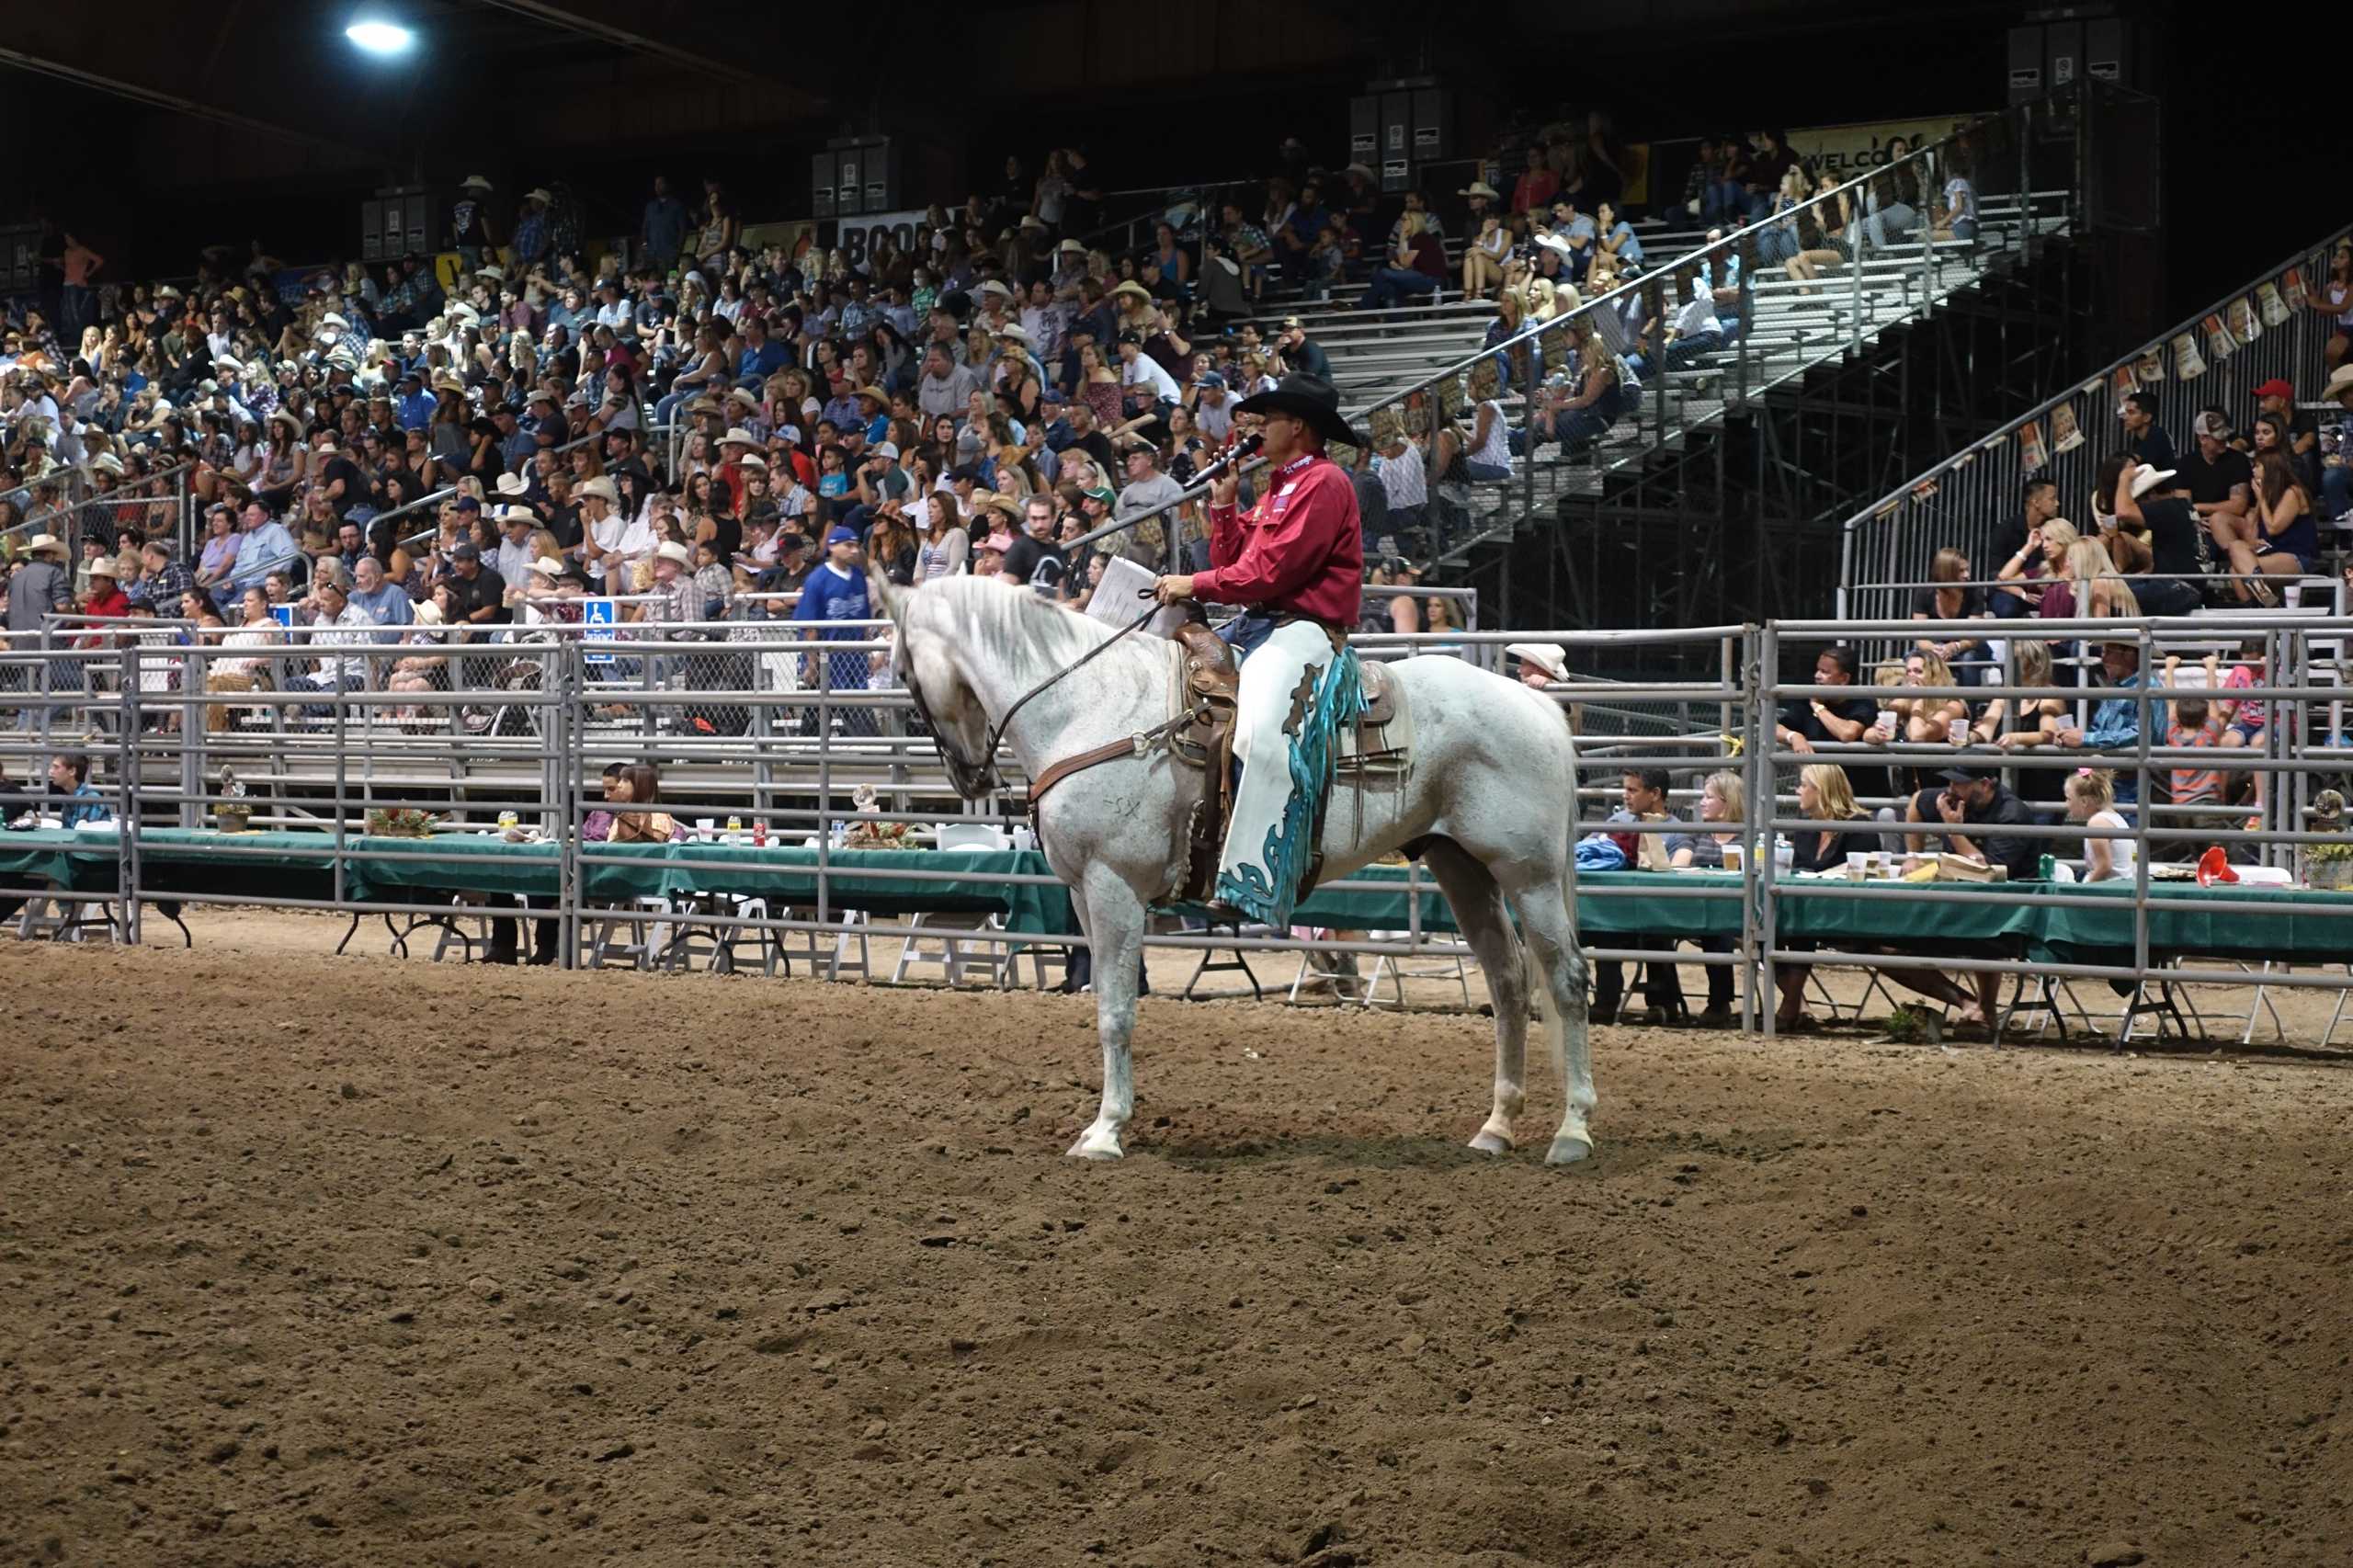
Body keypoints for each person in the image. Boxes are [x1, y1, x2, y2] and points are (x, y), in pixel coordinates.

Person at [1151, 373, 1365, 927]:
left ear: (1298, 425)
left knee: (1259, 734)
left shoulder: (1325, 482)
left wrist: (1194, 585)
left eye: (1265, 420)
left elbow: (1267, 573)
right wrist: (1223, 507)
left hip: (1303, 628)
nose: (1253, 428)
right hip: (1259, 621)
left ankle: (1253, 879)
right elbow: (1238, 556)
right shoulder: (1280, 485)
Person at [1591, 767, 1688, 1025]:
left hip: (1658, 912)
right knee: (1606, 931)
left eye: (1632, 790)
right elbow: (1587, 854)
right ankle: (1606, 1004)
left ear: (1655, 794)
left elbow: (1680, 868)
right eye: (1626, 789)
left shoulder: (1677, 830)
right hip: (1616, 911)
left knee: (1656, 932)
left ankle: (1662, 1005)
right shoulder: (1615, 823)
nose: (1625, 796)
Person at [1667, 769, 1747, 1027]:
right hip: (1692, 907)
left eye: (1708, 797)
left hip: (1733, 912)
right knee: (1656, 929)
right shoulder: (1697, 832)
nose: (1701, 802)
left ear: (1727, 802)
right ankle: (1665, 1001)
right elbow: (1678, 866)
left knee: (1718, 930)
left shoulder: (1747, 837)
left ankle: (1719, 1003)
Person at [792, 524, 875, 735]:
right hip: (827, 658)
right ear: (832, 547)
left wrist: (867, 655)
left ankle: (876, 754)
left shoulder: (857, 577)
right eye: (848, 545)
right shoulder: (817, 579)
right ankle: (876, 754)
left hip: (852, 659)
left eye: (856, 546)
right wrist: (812, 664)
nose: (854, 550)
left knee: (852, 711)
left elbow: (863, 621)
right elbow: (809, 626)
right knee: (820, 714)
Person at [2064, 767, 2135, 884]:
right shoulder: (2115, 817)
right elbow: (2134, 855)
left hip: (2110, 886)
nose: (2066, 804)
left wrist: (2084, 888)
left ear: (2084, 802)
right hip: (2123, 882)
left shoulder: (2097, 823)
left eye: (2068, 799)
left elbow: (2105, 866)